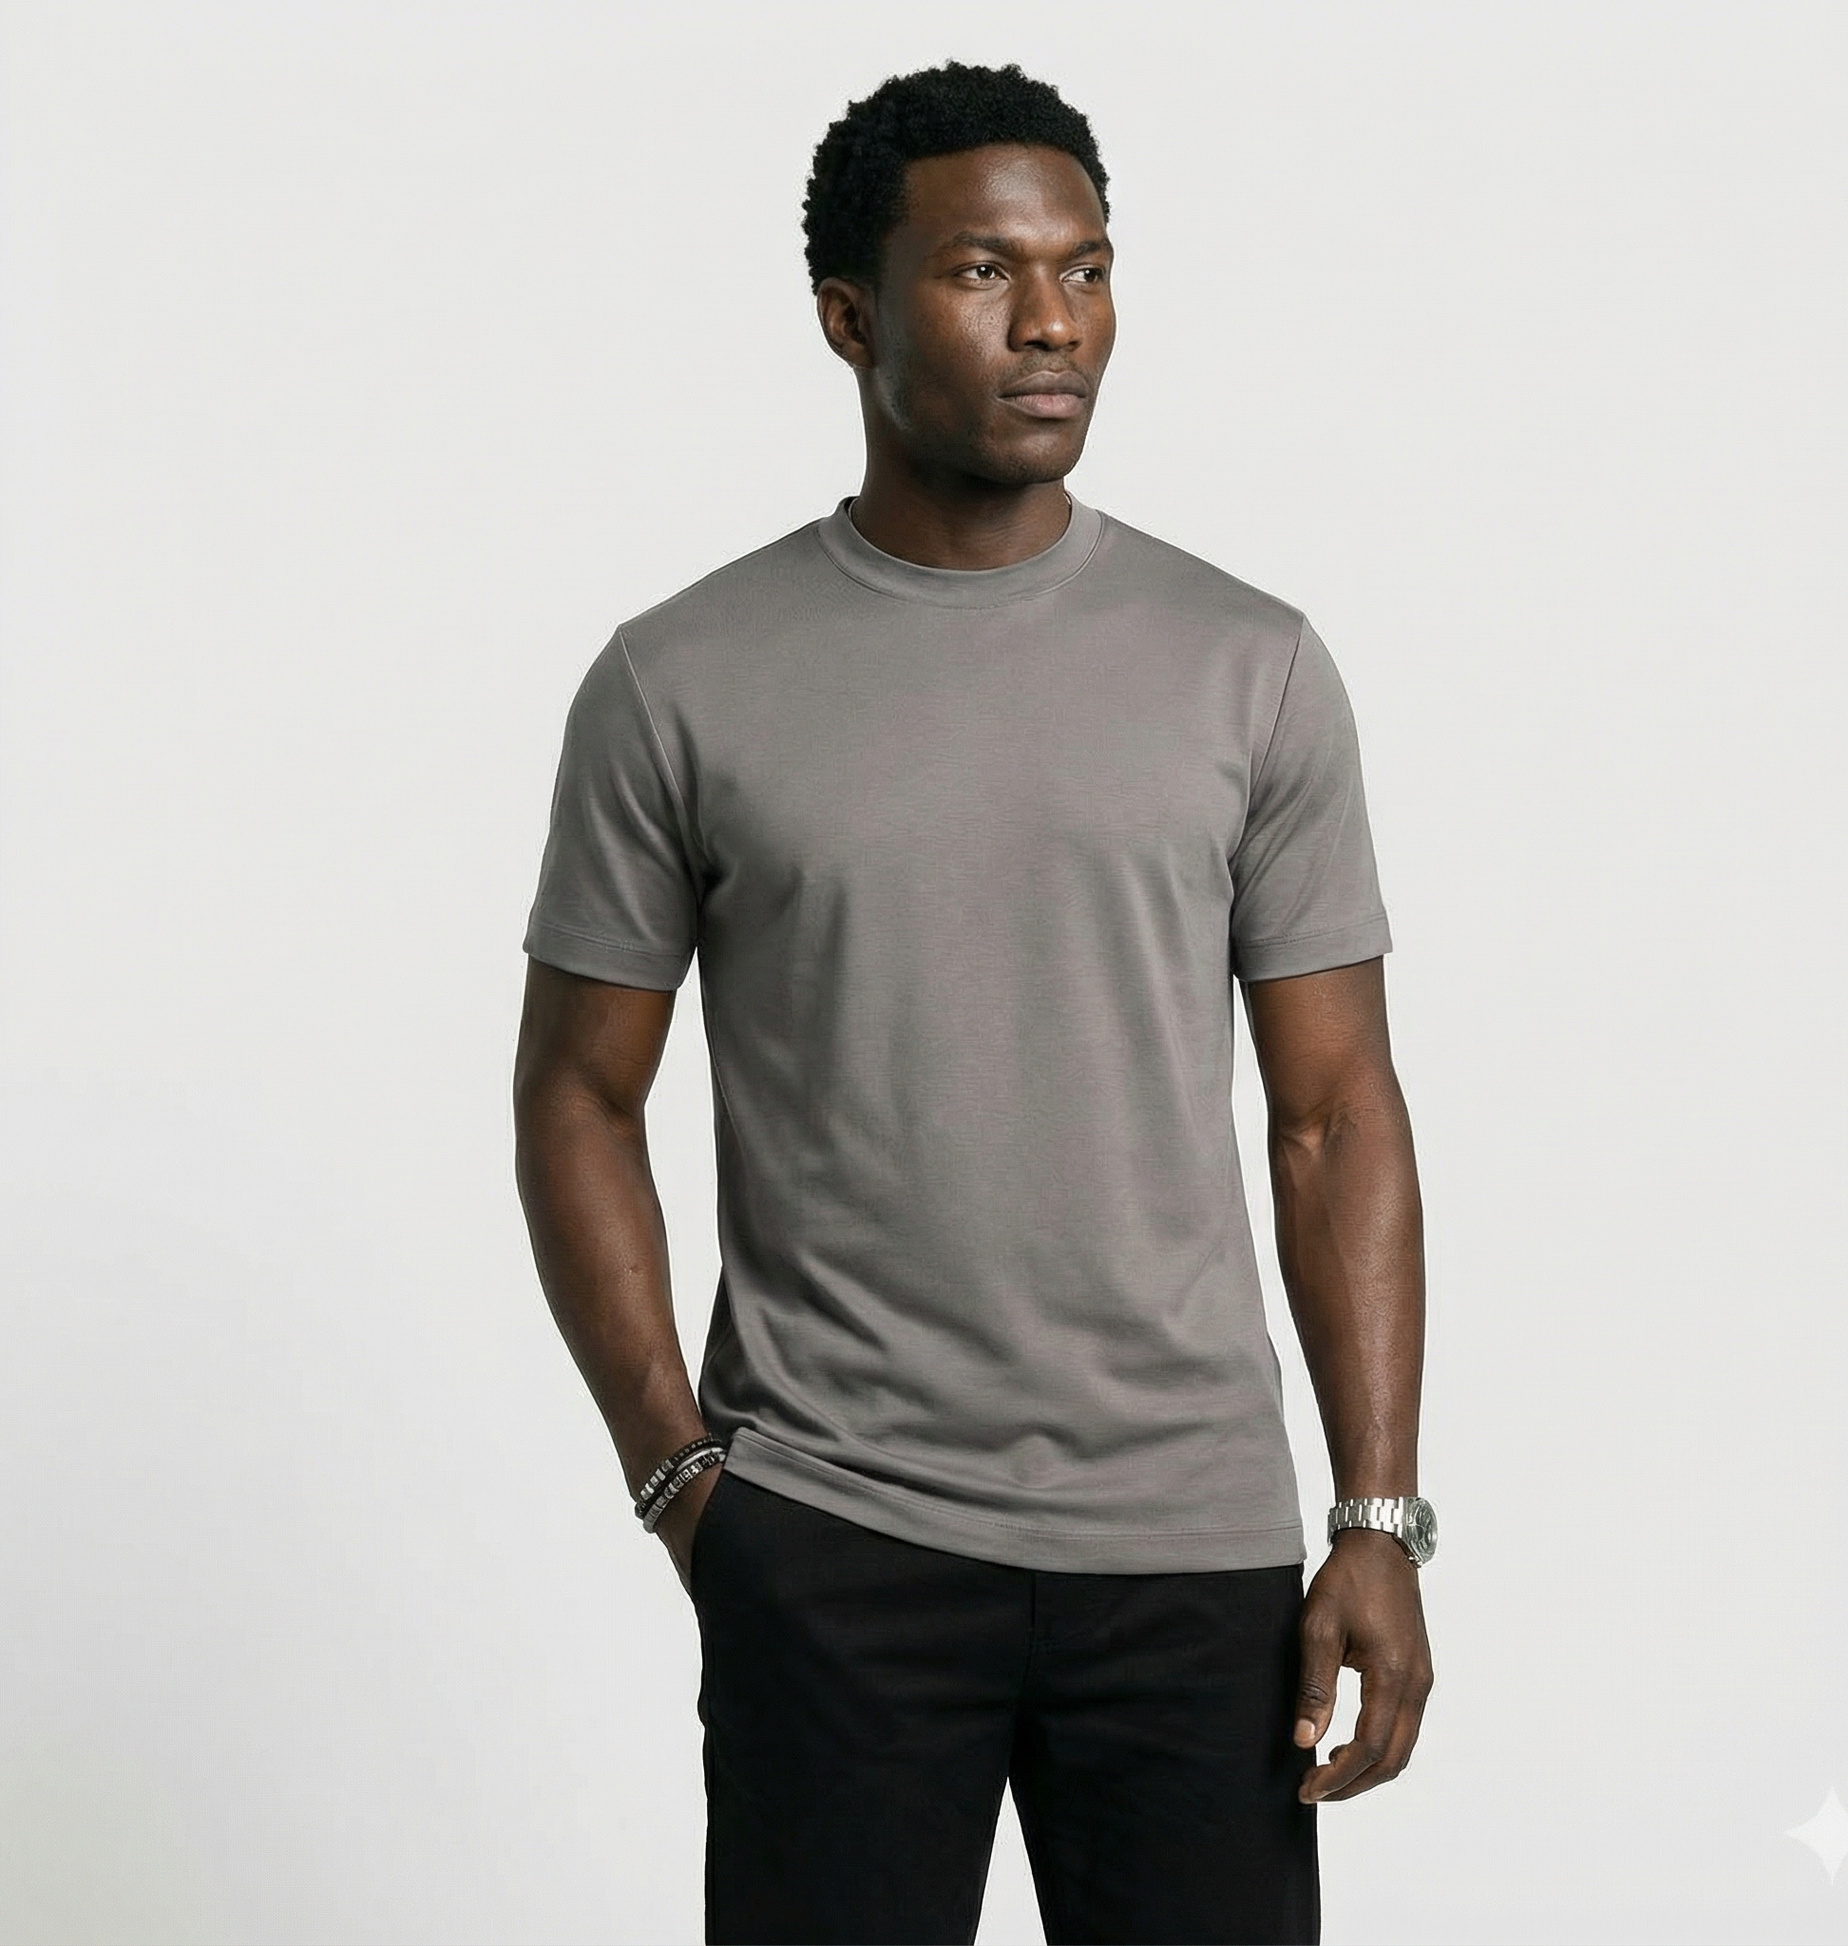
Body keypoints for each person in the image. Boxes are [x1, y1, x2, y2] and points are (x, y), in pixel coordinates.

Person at [512, 59, 1433, 1946]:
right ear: (848, 317)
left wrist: (1376, 1516)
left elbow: (1334, 1109)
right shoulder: (679, 681)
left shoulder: (1249, 666)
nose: (1052, 324)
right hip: (834, 1537)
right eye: (984, 271)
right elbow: (575, 1095)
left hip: (1190, 1552)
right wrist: (681, 1477)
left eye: (1086, 270)